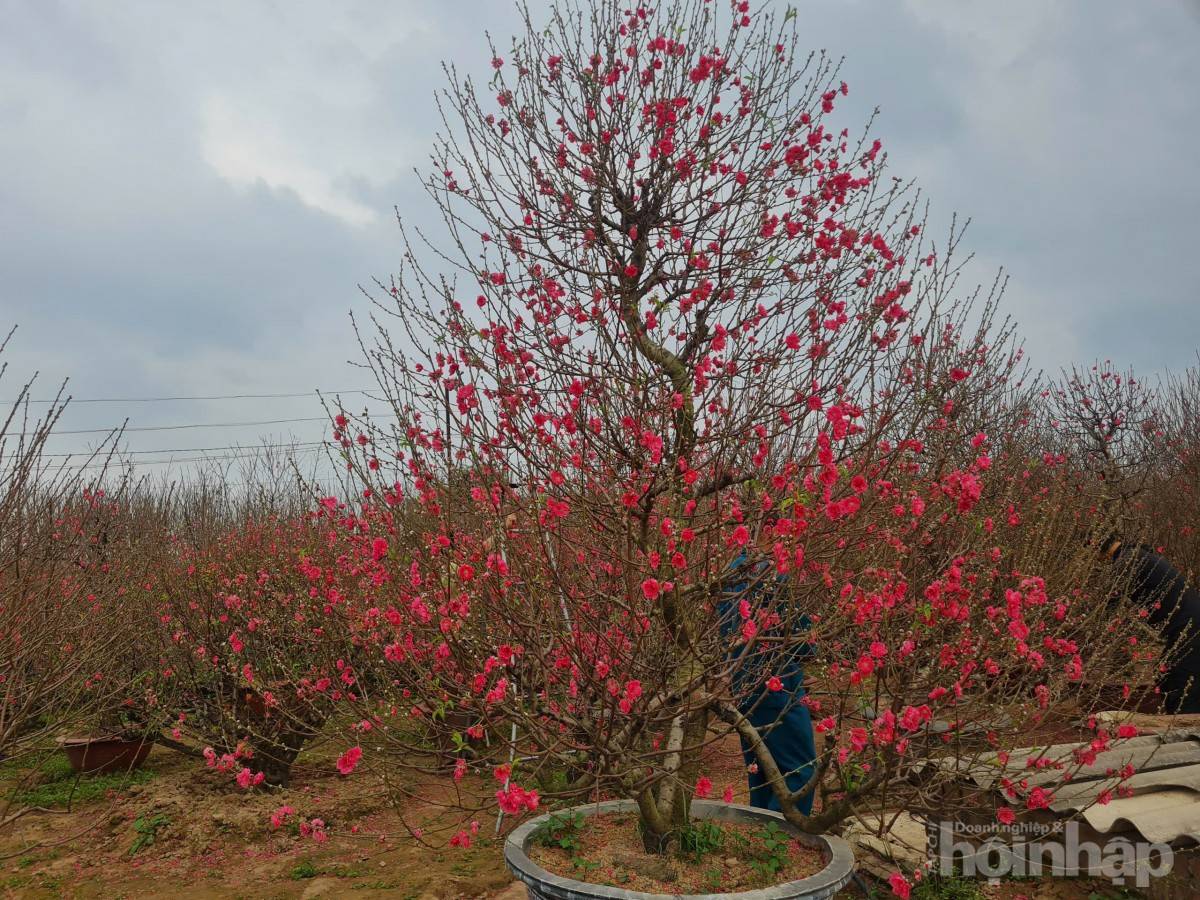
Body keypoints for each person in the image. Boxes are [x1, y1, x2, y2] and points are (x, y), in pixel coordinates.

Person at [720, 513, 817, 815]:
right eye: (790, 532)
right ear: (772, 531)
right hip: (777, 688)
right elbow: (801, 639)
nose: (792, 542)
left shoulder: (730, 572)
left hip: (744, 688)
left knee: (760, 771)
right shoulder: (773, 576)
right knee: (799, 769)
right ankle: (783, 835)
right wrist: (813, 642)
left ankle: (760, 834)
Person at [1100, 536, 1200, 714]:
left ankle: (1185, 730)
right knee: (1166, 674)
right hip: (1187, 623)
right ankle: (1178, 721)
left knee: (1181, 680)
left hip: (1190, 625)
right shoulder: (1139, 555)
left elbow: (1108, 598)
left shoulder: (1128, 560)